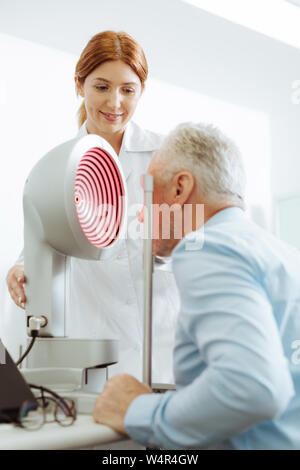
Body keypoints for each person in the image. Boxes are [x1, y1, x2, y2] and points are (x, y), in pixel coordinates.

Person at [93, 122, 300, 450]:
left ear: (179, 189)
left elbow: (254, 387)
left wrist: (138, 411)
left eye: (148, 195)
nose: (142, 218)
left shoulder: (207, 247)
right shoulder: (284, 255)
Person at [6, 31, 179, 383]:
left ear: (140, 91)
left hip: (168, 350)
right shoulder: (58, 167)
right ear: (79, 85)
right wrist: (20, 269)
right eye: (101, 87)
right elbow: (42, 236)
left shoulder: (169, 157)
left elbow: (195, 240)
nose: (115, 103)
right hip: (102, 357)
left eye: (127, 90)